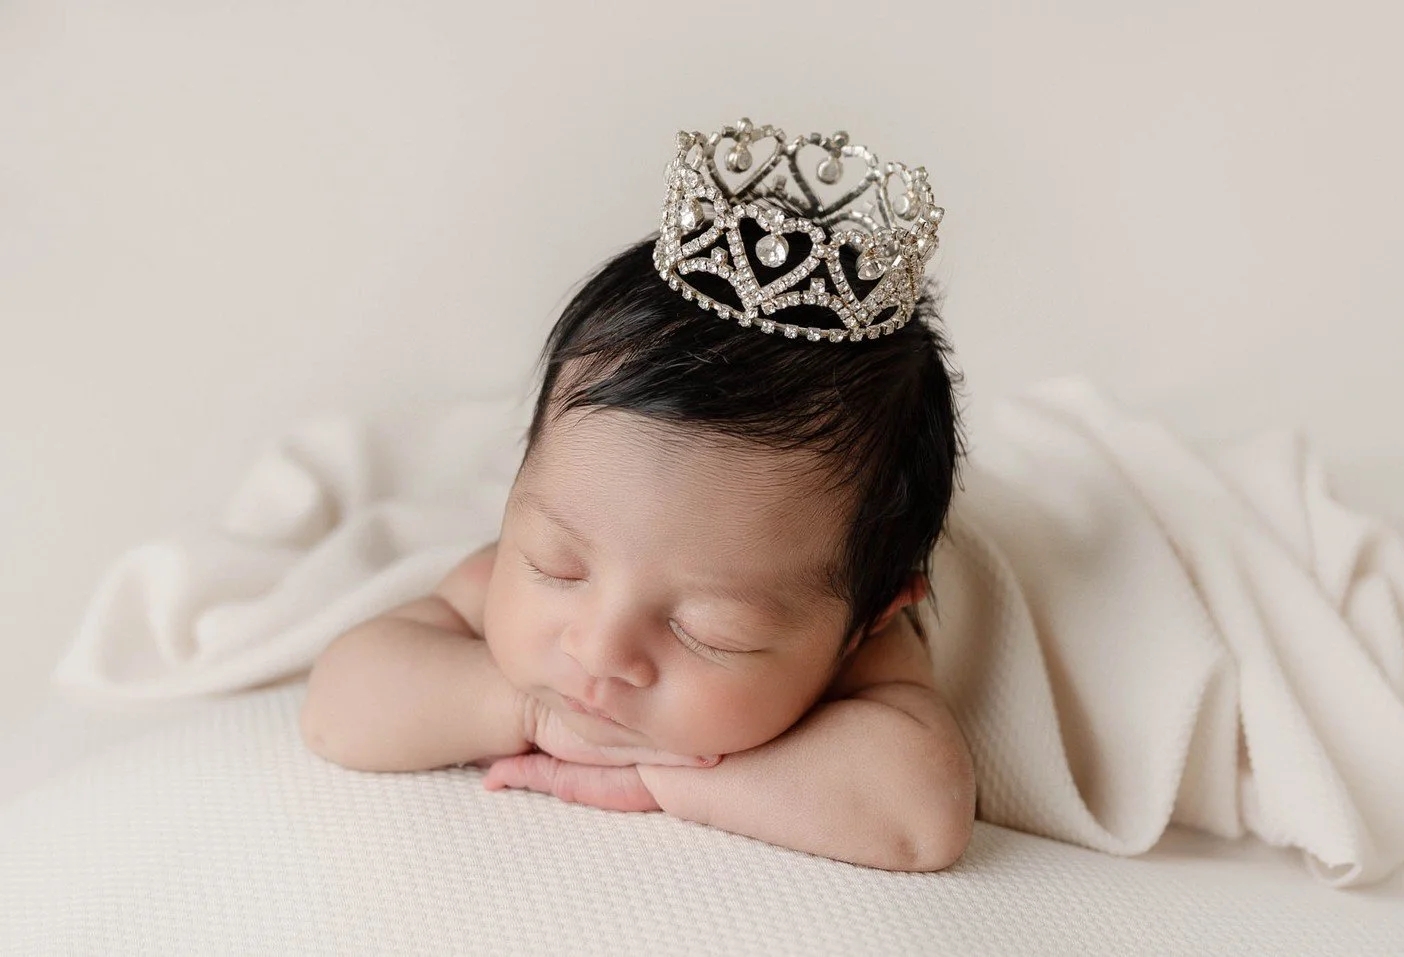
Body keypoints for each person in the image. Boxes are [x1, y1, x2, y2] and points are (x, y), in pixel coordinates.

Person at [300, 118, 976, 872]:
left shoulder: (866, 643)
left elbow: (918, 816)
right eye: (559, 566)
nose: (599, 648)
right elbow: (337, 707)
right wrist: (522, 712)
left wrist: (653, 780)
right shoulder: (509, 570)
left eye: (711, 630)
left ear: (867, 622)